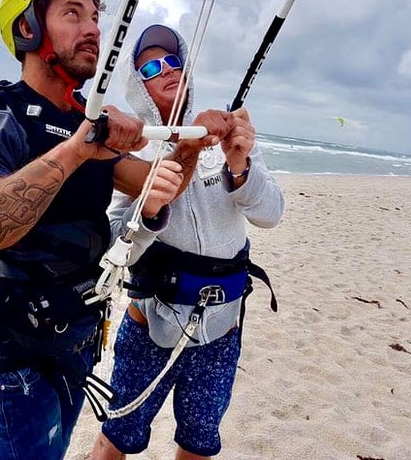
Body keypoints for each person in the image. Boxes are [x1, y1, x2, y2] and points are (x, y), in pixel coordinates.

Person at [0, 0, 233, 460]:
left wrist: (194, 142)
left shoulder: (85, 120)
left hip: (77, 344)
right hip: (15, 354)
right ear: (28, 28)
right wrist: (77, 149)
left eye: (96, 16)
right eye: (72, 14)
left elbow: (156, 185)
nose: (94, 28)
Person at [90, 24, 285, 459]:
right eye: (152, 66)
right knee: (115, 437)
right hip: (150, 326)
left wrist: (241, 166)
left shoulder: (222, 137)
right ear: (138, 85)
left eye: (174, 60)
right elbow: (117, 243)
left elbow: (270, 214)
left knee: (198, 444)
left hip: (221, 329)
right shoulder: (131, 149)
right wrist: (154, 205)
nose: (167, 70)